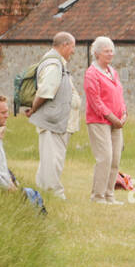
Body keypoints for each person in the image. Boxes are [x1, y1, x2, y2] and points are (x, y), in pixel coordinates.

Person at [24, 31, 81, 199]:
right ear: (64, 45)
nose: (73, 51)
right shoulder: (53, 65)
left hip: (57, 120)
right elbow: (46, 90)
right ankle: (55, 194)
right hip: (53, 121)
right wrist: (33, 109)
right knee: (52, 160)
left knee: (52, 159)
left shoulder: (57, 63)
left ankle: (43, 192)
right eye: (72, 47)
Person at [83, 36, 126, 204]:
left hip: (116, 122)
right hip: (99, 121)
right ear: (97, 53)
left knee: (115, 159)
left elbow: (120, 95)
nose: (110, 54)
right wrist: (112, 117)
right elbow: (95, 101)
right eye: (107, 51)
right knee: (105, 157)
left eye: (112, 51)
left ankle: (109, 195)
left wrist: (124, 113)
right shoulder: (91, 73)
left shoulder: (112, 72)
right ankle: (98, 196)